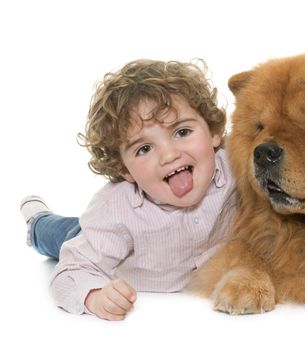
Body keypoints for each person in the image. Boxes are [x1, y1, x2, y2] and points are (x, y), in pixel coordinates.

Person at [20, 59, 237, 321]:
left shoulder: (235, 165)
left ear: (214, 132)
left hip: (114, 237)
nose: (169, 155)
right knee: (60, 233)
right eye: (144, 149)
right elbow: (67, 274)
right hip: (103, 239)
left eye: (182, 131)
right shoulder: (115, 213)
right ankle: (36, 219)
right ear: (124, 169)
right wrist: (95, 296)